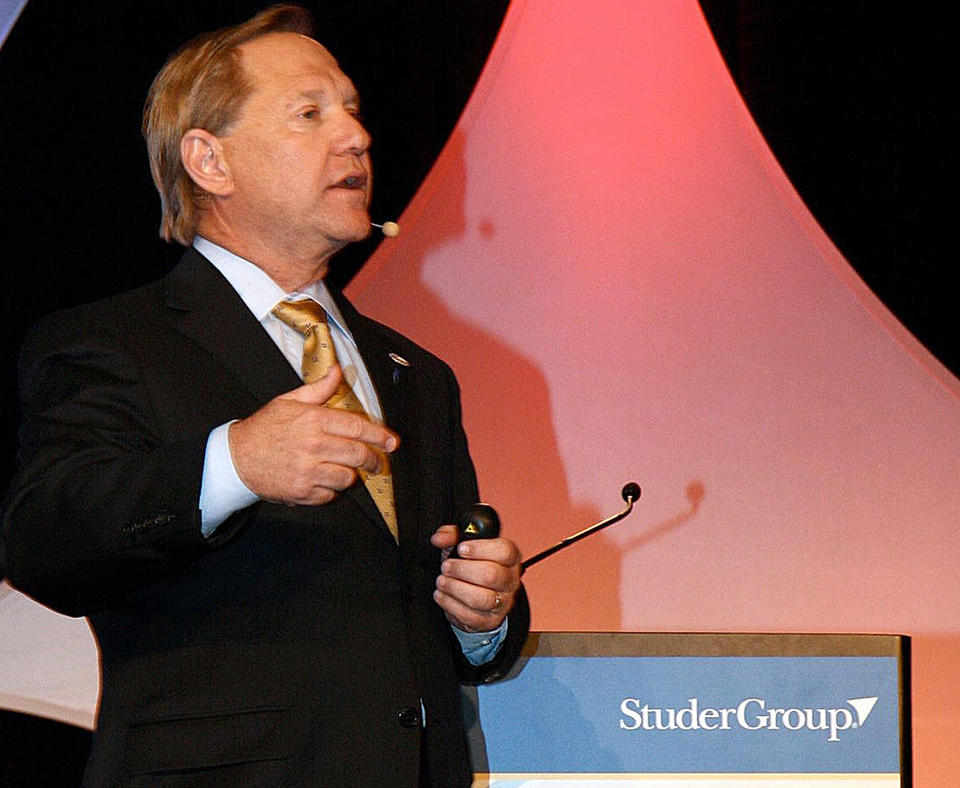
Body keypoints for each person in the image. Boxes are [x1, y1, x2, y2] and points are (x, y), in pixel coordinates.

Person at [2, 6, 529, 786]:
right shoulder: (112, 343)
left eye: (352, 109)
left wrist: (485, 615)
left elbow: (429, 618)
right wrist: (234, 463)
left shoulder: (415, 373)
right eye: (310, 113)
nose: (356, 136)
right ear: (210, 162)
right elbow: (46, 543)